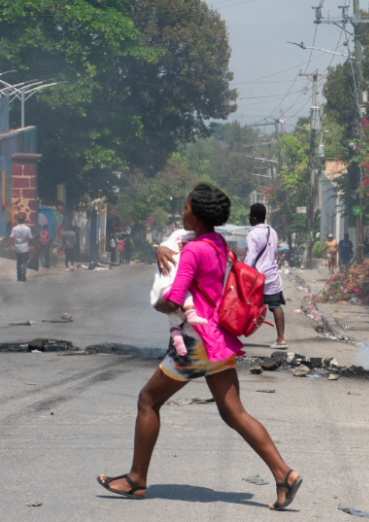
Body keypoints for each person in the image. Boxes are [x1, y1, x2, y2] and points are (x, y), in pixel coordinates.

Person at [98, 184, 302, 509]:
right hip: (218, 339)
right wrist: (159, 250)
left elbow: (175, 298)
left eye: (186, 207)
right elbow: (176, 242)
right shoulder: (218, 244)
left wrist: (158, 302)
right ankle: (284, 474)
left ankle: (136, 479)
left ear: (199, 212)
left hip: (195, 343)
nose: (182, 212)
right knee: (234, 413)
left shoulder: (194, 251)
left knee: (147, 401)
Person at [149, 229, 209, 356]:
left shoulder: (200, 244)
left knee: (178, 322)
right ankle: (177, 351)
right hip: (180, 297)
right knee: (177, 320)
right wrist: (162, 249)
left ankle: (180, 352)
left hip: (193, 298)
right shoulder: (178, 252)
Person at [245, 204, 287, 350]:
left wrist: (243, 272)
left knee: (243, 304)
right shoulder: (272, 232)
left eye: (250, 215)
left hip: (257, 277)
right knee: (276, 306)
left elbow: (251, 257)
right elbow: (274, 252)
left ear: (254, 217)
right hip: (272, 275)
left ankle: (232, 336)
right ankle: (281, 339)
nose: (249, 217)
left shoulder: (252, 234)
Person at [9, 215, 34, 282]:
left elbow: (11, 238)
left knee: (19, 262)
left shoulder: (14, 228)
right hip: (25, 248)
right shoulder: (28, 229)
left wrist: (6, 246)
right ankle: (23, 273)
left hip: (17, 248)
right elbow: (30, 239)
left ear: (18, 221)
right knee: (25, 262)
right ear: (24, 221)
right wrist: (35, 246)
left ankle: (19, 276)